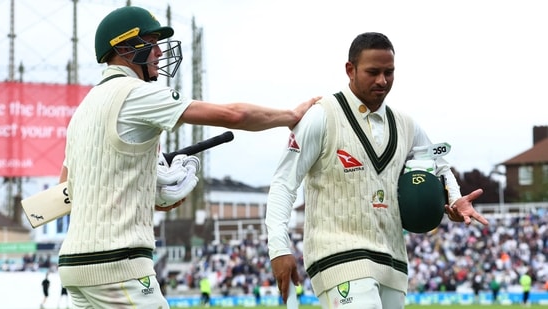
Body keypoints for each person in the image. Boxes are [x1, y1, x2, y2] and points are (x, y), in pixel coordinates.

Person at [57, 5, 318, 309]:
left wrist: (144, 191)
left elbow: (65, 190)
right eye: (150, 43)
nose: (158, 52)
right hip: (118, 263)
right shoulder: (135, 93)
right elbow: (234, 116)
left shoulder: (82, 113)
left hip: (74, 266)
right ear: (125, 48)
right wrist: (291, 116)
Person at [265, 32, 489, 309]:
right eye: (373, 72)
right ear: (350, 70)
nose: (382, 80)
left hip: (393, 262)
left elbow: (439, 165)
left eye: (389, 72)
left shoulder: (406, 124)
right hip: (338, 256)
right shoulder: (322, 115)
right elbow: (284, 183)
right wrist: (279, 248)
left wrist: (454, 199)